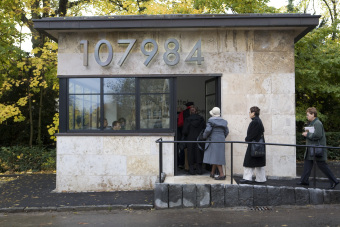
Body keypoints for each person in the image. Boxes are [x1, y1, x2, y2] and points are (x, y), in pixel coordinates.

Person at [297, 107, 339, 189]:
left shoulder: (317, 123)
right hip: (311, 148)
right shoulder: (312, 123)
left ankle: (334, 180)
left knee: (322, 165)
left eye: (308, 115)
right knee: (307, 164)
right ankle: (304, 180)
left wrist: (307, 134)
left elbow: (318, 135)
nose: (307, 116)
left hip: (316, 149)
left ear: (313, 114)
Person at [240, 106, 266, 184]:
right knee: (259, 163)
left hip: (254, 144)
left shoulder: (254, 122)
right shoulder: (259, 121)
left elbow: (252, 134)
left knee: (249, 161)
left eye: (250, 112)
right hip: (259, 145)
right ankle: (261, 179)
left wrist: (247, 139)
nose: (249, 114)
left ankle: (247, 178)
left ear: (253, 113)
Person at [202, 107, 229, 180]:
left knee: (216, 156)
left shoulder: (211, 120)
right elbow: (227, 131)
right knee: (217, 155)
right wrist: (222, 137)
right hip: (221, 139)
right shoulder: (224, 121)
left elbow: (207, 130)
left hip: (213, 139)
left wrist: (204, 136)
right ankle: (212, 172)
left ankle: (221, 174)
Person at [182, 106, 206, 175]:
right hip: (199, 139)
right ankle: (199, 170)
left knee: (190, 153)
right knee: (199, 153)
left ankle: (192, 170)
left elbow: (185, 131)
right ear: (196, 111)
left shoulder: (187, 119)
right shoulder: (201, 119)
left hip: (190, 138)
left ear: (190, 112)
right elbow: (204, 129)